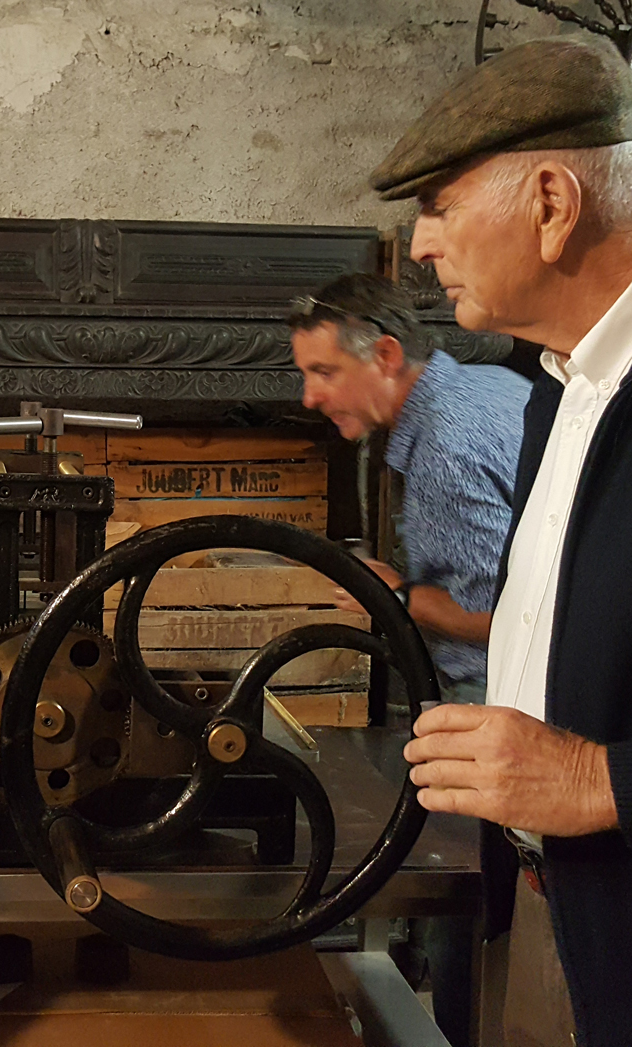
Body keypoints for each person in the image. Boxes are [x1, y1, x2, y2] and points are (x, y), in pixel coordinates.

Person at [372, 37, 632, 1047]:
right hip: (547, 910)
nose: (420, 245)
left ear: (553, 204)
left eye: (440, 206)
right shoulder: (554, 392)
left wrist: (595, 782)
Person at [289, 272, 529, 1047]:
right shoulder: (486, 386)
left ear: (386, 355)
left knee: (463, 898)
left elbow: (505, 618)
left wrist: (391, 592)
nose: (309, 396)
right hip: (508, 700)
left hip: (499, 704)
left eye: (323, 371)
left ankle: (454, 1025)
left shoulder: (448, 447)